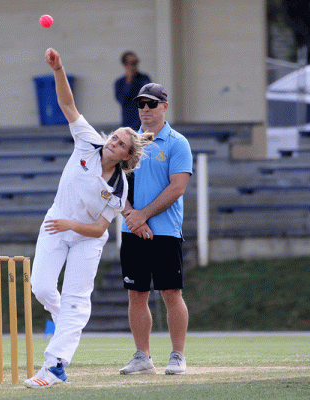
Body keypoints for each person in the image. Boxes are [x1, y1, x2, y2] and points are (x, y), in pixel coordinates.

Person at [24, 48, 153, 389]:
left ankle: (55, 366)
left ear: (127, 155)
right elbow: (68, 106)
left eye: (120, 142)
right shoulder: (88, 142)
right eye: (114, 136)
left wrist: (71, 226)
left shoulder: (119, 188)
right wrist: (59, 68)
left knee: (76, 301)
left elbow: (99, 228)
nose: (113, 141)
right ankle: (62, 320)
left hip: (87, 238)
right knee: (40, 287)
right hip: (56, 223)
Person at [119, 83, 193, 376]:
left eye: (152, 104)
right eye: (141, 105)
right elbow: (114, 181)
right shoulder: (128, 141)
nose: (146, 110)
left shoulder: (177, 142)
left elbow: (177, 187)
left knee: (171, 292)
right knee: (136, 294)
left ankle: (177, 356)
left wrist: (143, 216)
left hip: (165, 230)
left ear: (164, 106)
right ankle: (142, 357)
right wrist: (130, 216)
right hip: (132, 231)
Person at [114, 51, 151, 131]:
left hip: (145, 122)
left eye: (136, 62)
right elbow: (122, 99)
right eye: (131, 63)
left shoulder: (144, 79)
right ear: (125, 64)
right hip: (129, 123)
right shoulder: (120, 82)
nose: (134, 66)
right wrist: (129, 82)